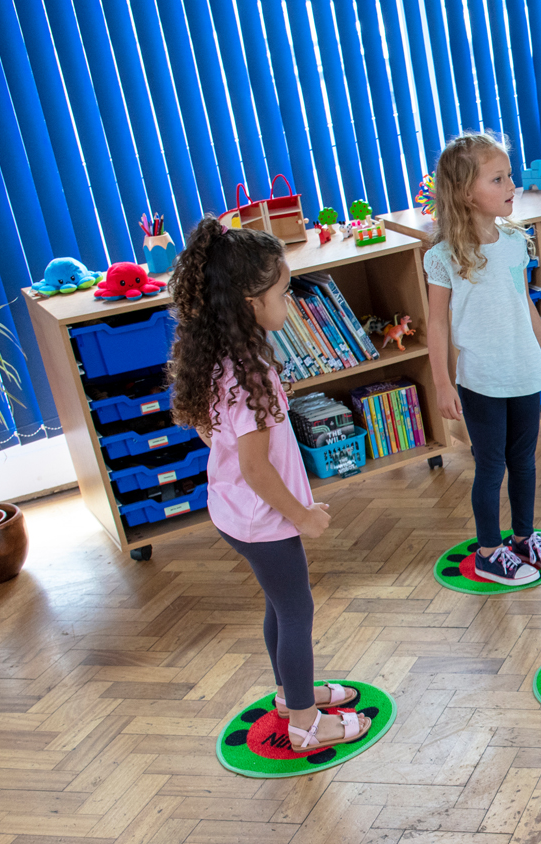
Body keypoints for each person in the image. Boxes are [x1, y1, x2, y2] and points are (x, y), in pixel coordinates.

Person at [168, 217, 370, 751]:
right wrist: (299, 514)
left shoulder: (215, 355)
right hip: (262, 518)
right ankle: (305, 723)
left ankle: (289, 694)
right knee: (296, 609)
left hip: (235, 511)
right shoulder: (251, 371)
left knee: (279, 605)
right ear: (249, 301)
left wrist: (289, 502)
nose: (291, 302)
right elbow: (257, 468)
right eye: (283, 292)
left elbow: (219, 439)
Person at [425, 132, 541, 585]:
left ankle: (524, 539)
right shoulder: (444, 255)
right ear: (467, 192)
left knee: (524, 461)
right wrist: (443, 384)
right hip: (482, 379)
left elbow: (524, 303)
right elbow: (436, 325)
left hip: (524, 369)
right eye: (498, 178)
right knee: (491, 466)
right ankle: (490, 552)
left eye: (509, 176)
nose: (512, 186)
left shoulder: (514, 240)